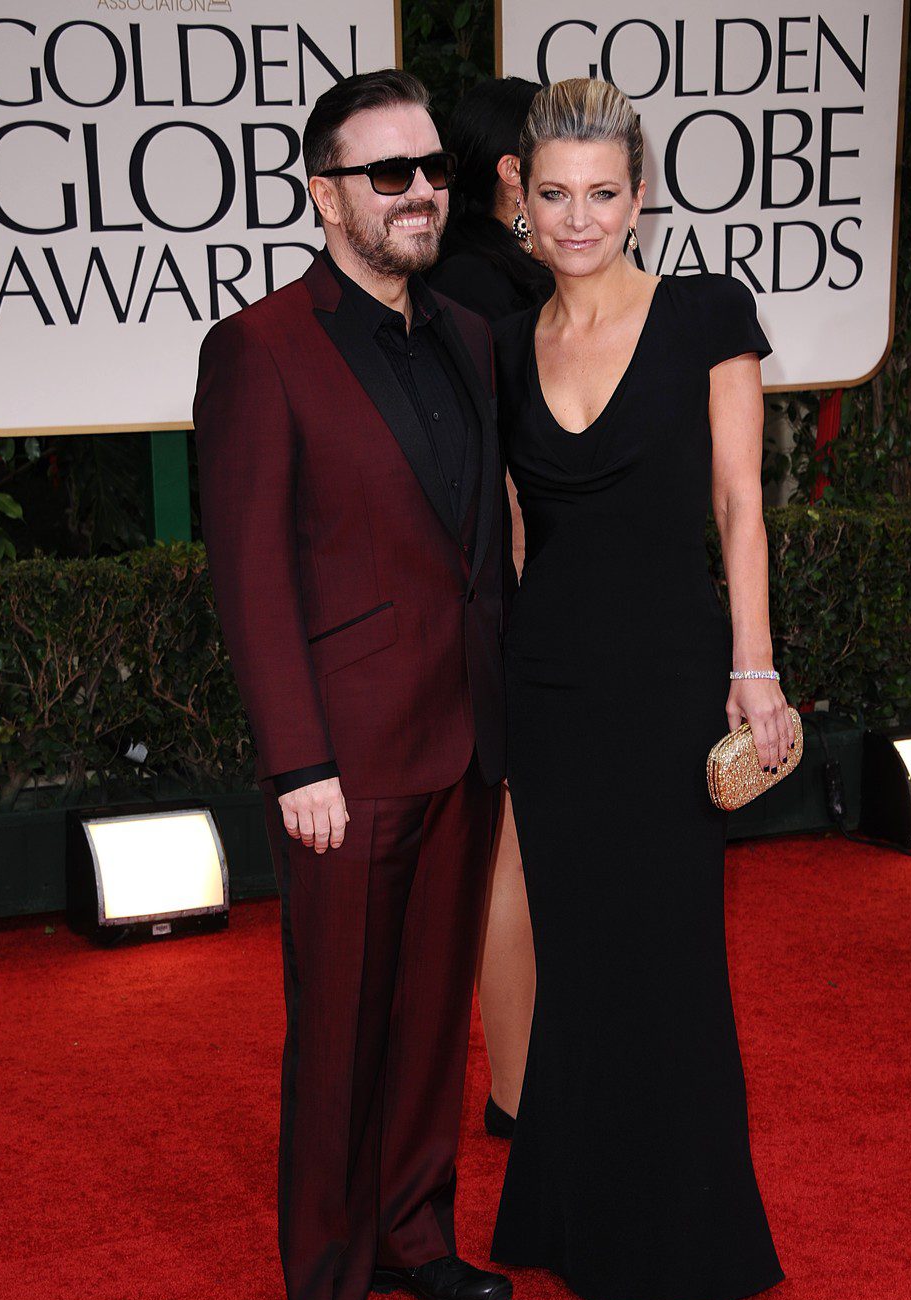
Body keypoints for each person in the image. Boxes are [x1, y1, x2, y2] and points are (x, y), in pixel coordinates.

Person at [193, 69, 513, 1300]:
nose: (421, 191)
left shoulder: (470, 334)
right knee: (339, 1028)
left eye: (432, 167)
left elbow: (477, 541)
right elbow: (251, 571)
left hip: (464, 734)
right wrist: (298, 758)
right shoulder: (261, 348)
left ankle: (413, 1231)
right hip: (347, 756)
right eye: (389, 173)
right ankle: (327, 1284)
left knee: (434, 1011)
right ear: (325, 194)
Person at [489, 77, 787, 1300]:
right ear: (521, 197)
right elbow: (512, 535)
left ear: (639, 194)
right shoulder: (506, 346)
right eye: (555, 193)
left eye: (602, 193)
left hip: (670, 677)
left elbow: (741, 505)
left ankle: (677, 1234)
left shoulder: (708, 313)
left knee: (666, 952)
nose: (577, 218)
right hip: (548, 687)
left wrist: (755, 668)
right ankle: (568, 1209)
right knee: (576, 949)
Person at [429, 78, 554, 1140]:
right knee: (515, 842)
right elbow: (508, 473)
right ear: (514, 169)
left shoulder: (467, 276)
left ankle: (524, 1081)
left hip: (495, 599)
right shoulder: (494, 287)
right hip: (522, 600)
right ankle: (519, 1088)